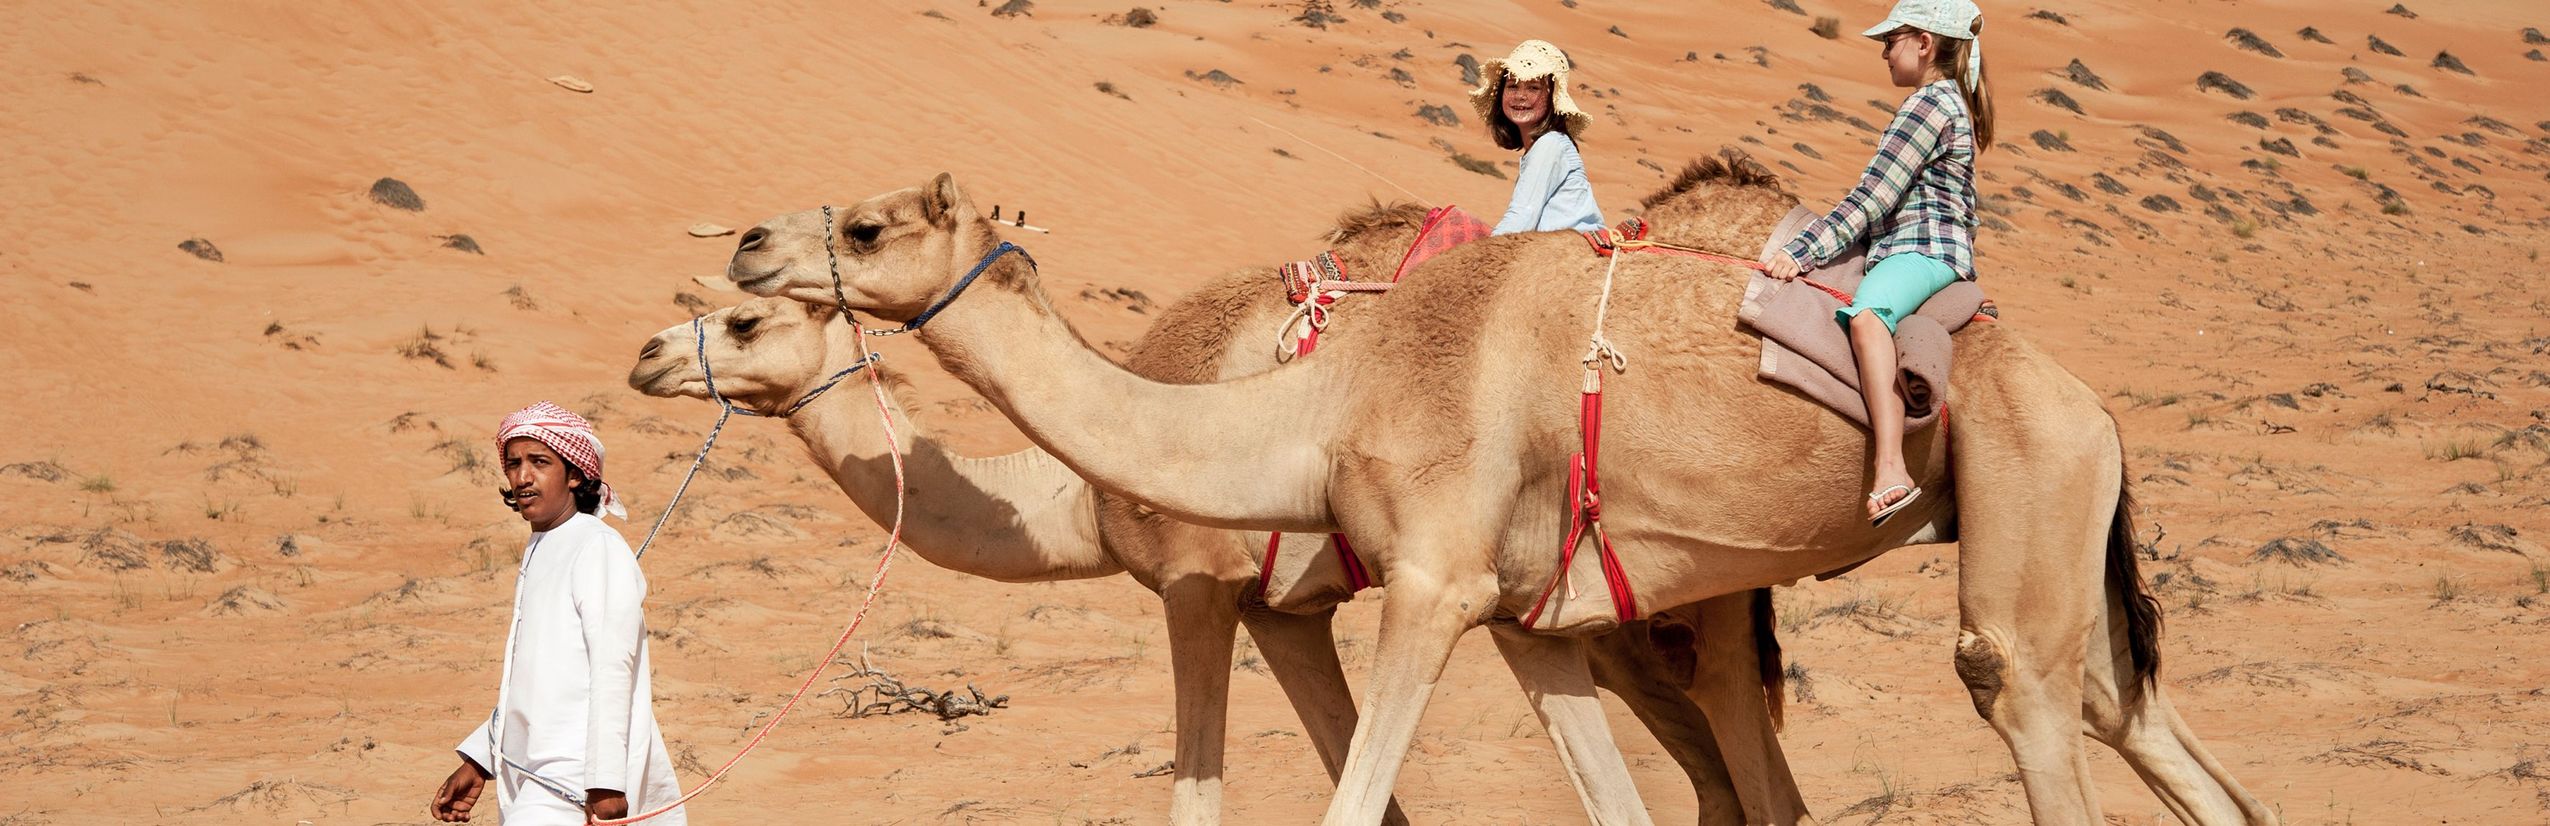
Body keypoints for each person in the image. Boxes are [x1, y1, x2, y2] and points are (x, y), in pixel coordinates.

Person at [1764, 0, 1995, 526]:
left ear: (1924, 43)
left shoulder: (1929, 106)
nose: (1885, 53)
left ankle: (1892, 468)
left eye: (1891, 41)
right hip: (1915, 247)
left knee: (1867, 317)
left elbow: (1873, 199)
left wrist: (1801, 253)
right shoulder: (1944, 101)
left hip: (1922, 249)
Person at [430, 402, 685, 824]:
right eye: (514, 463)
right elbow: (536, 678)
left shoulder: (595, 546)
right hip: (535, 771)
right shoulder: (543, 547)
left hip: (575, 777)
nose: (523, 476)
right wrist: (479, 761)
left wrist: (605, 783)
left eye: (540, 462)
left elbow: (611, 667)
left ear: (575, 474)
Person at [1471, 40, 1606, 235]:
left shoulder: (1550, 144)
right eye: (1512, 86)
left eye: (1533, 88)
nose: (1520, 96)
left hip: (1569, 255)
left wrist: (1479, 256)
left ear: (1553, 98)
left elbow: (1522, 218)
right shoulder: (1540, 147)